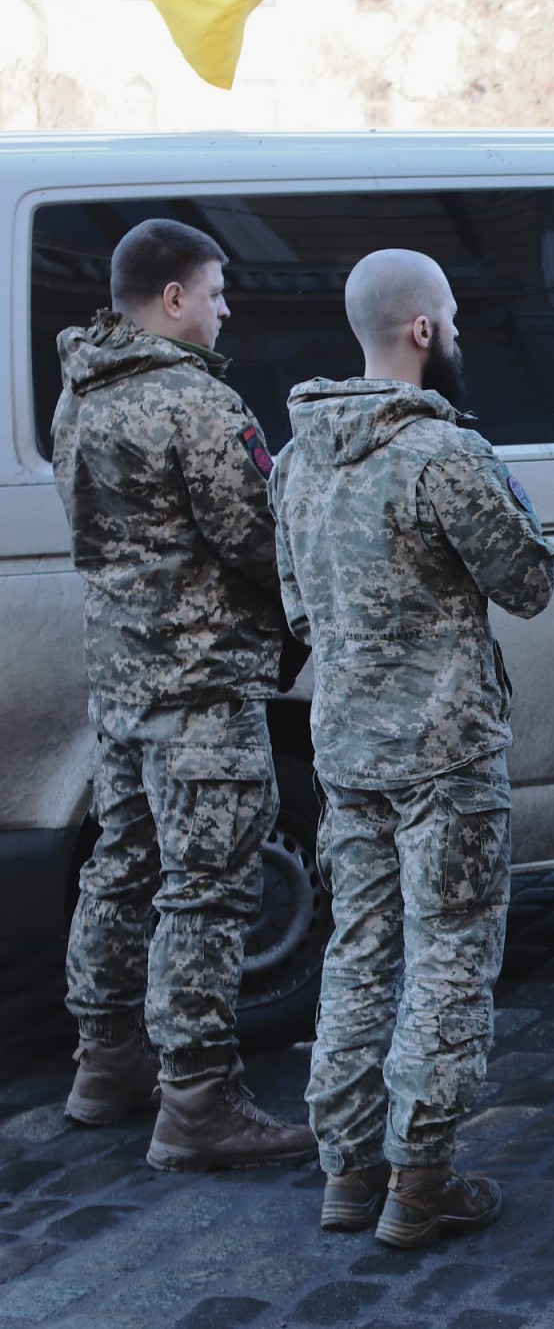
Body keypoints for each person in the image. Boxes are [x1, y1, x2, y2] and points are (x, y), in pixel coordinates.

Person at [273, 250, 554, 1247]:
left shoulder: (298, 457)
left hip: (346, 749)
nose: (459, 335)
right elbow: (528, 583)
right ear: (426, 329)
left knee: (357, 952)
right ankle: (421, 1178)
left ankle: (348, 1172)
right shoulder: (444, 453)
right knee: (448, 955)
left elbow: (297, 611)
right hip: (446, 753)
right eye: (454, 318)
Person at [52, 218, 315, 1172]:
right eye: (215, 292)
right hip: (201, 687)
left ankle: (105, 1064)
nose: (225, 309)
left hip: (122, 683)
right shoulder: (195, 402)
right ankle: (199, 1102)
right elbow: (258, 538)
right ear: (172, 300)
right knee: (209, 888)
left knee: (121, 867)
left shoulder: (80, 395)